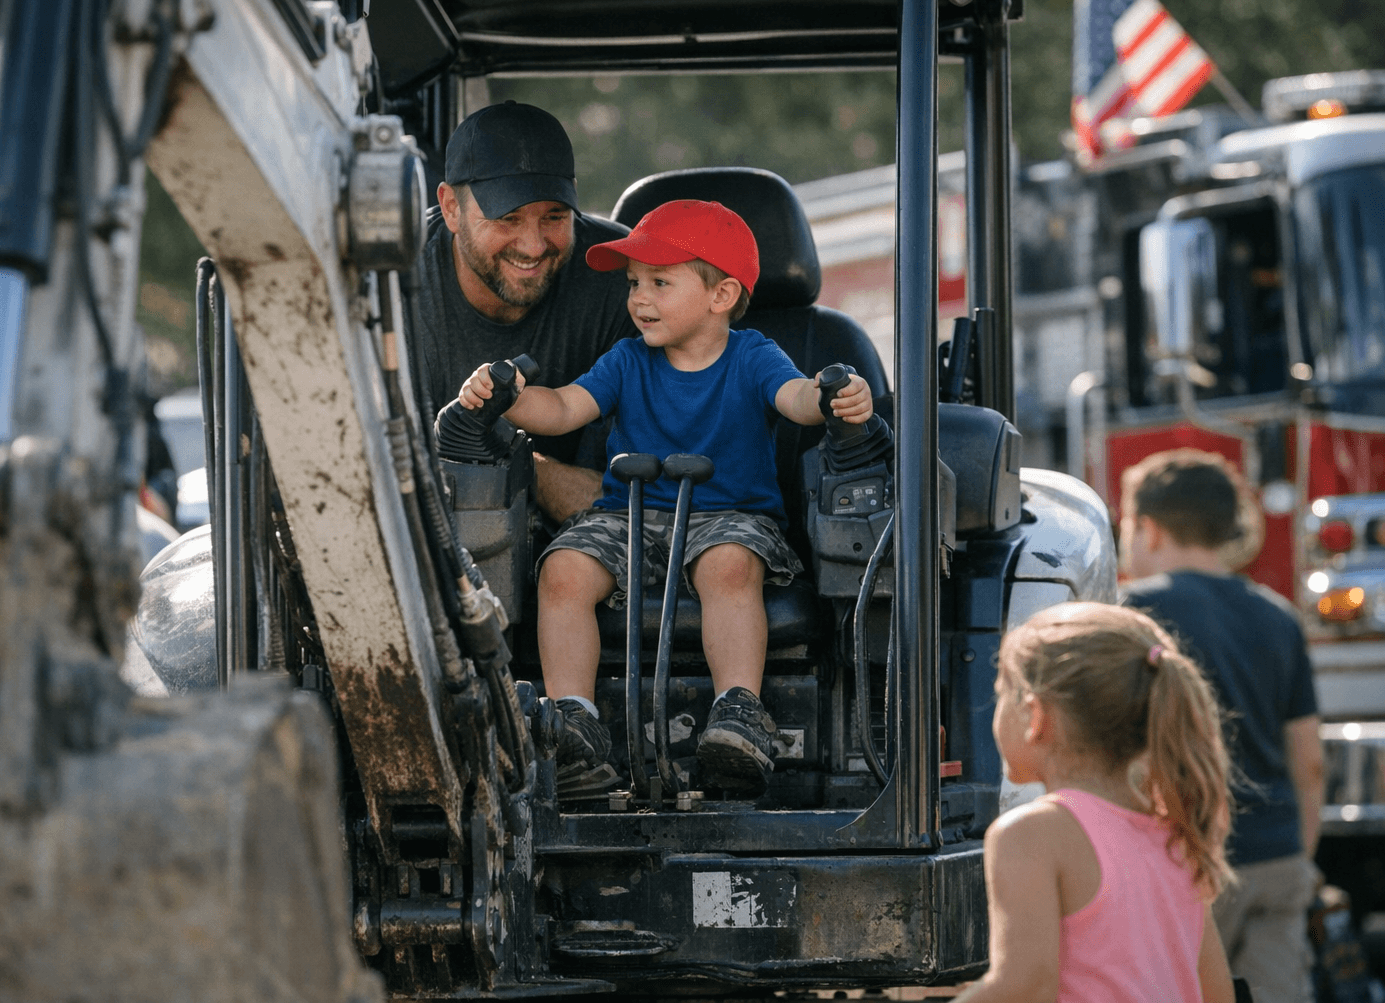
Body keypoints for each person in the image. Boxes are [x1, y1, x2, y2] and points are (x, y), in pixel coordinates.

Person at [457, 199, 872, 796]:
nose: (637, 299)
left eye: (658, 282)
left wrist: (834, 398)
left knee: (730, 565)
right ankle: (574, 723)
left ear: (721, 296)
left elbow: (795, 398)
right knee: (563, 570)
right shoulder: (627, 359)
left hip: (728, 518)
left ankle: (738, 712)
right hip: (629, 517)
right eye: (632, 284)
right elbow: (565, 407)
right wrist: (508, 398)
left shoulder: (752, 355)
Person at [1118, 449, 1324, 1003]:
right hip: (1275, 858)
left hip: (1178, 858)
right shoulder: (1278, 614)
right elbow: (1308, 760)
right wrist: (1296, 857)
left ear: (1148, 528)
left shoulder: (1129, 613)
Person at [955, 602, 1237, 1003]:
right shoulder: (1176, 834)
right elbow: (1218, 993)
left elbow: (1025, 986)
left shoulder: (1031, 834)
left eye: (1001, 693)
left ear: (1035, 715)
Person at [411, 100, 634, 523]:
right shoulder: (390, 285)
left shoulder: (624, 283)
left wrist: (513, 462)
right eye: (508, 218)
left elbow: (622, 505)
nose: (533, 246)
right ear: (451, 207)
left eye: (555, 215)